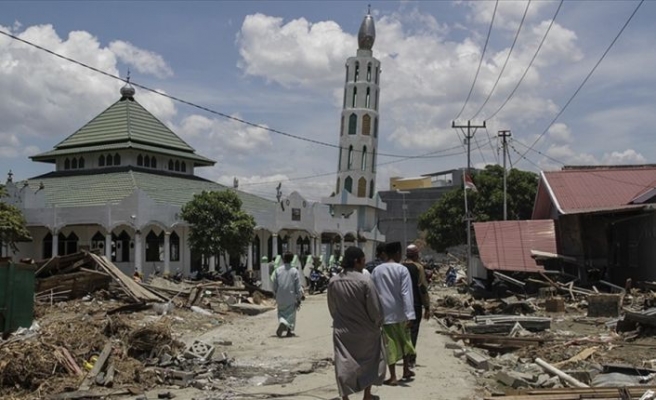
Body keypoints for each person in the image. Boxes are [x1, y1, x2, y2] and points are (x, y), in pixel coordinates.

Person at [328, 246, 386, 400]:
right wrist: (378, 323)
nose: (364, 265)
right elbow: (375, 308)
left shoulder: (334, 281)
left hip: (342, 331)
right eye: (363, 261)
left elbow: (332, 308)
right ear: (357, 261)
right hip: (366, 331)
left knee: (343, 362)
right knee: (369, 362)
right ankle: (367, 395)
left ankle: (345, 397)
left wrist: (340, 321)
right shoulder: (366, 281)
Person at [370, 242, 416, 386]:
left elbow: (373, 293)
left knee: (390, 344)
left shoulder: (377, 271)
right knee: (404, 341)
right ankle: (406, 369)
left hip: (385, 313)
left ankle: (393, 375)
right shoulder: (402, 270)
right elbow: (406, 292)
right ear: (397, 253)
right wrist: (410, 314)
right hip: (401, 312)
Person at [402, 244, 431, 368]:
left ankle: (403, 356)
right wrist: (427, 306)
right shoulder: (419, 267)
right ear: (416, 255)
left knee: (403, 331)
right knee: (413, 331)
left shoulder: (400, 267)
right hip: (415, 304)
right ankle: (410, 358)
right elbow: (422, 287)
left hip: (401, 304)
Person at [272, 252, 303, 338]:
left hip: (280, 296)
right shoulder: (294, 271)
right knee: (291, 314)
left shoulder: (278, 270)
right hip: (291, 296)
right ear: (292, 259)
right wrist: (299, 297)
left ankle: (282, 322)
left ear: (283, 259)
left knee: (281, 312)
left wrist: (275, 293)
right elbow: (297, 285)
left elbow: (274, 284)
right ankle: (288, 330)